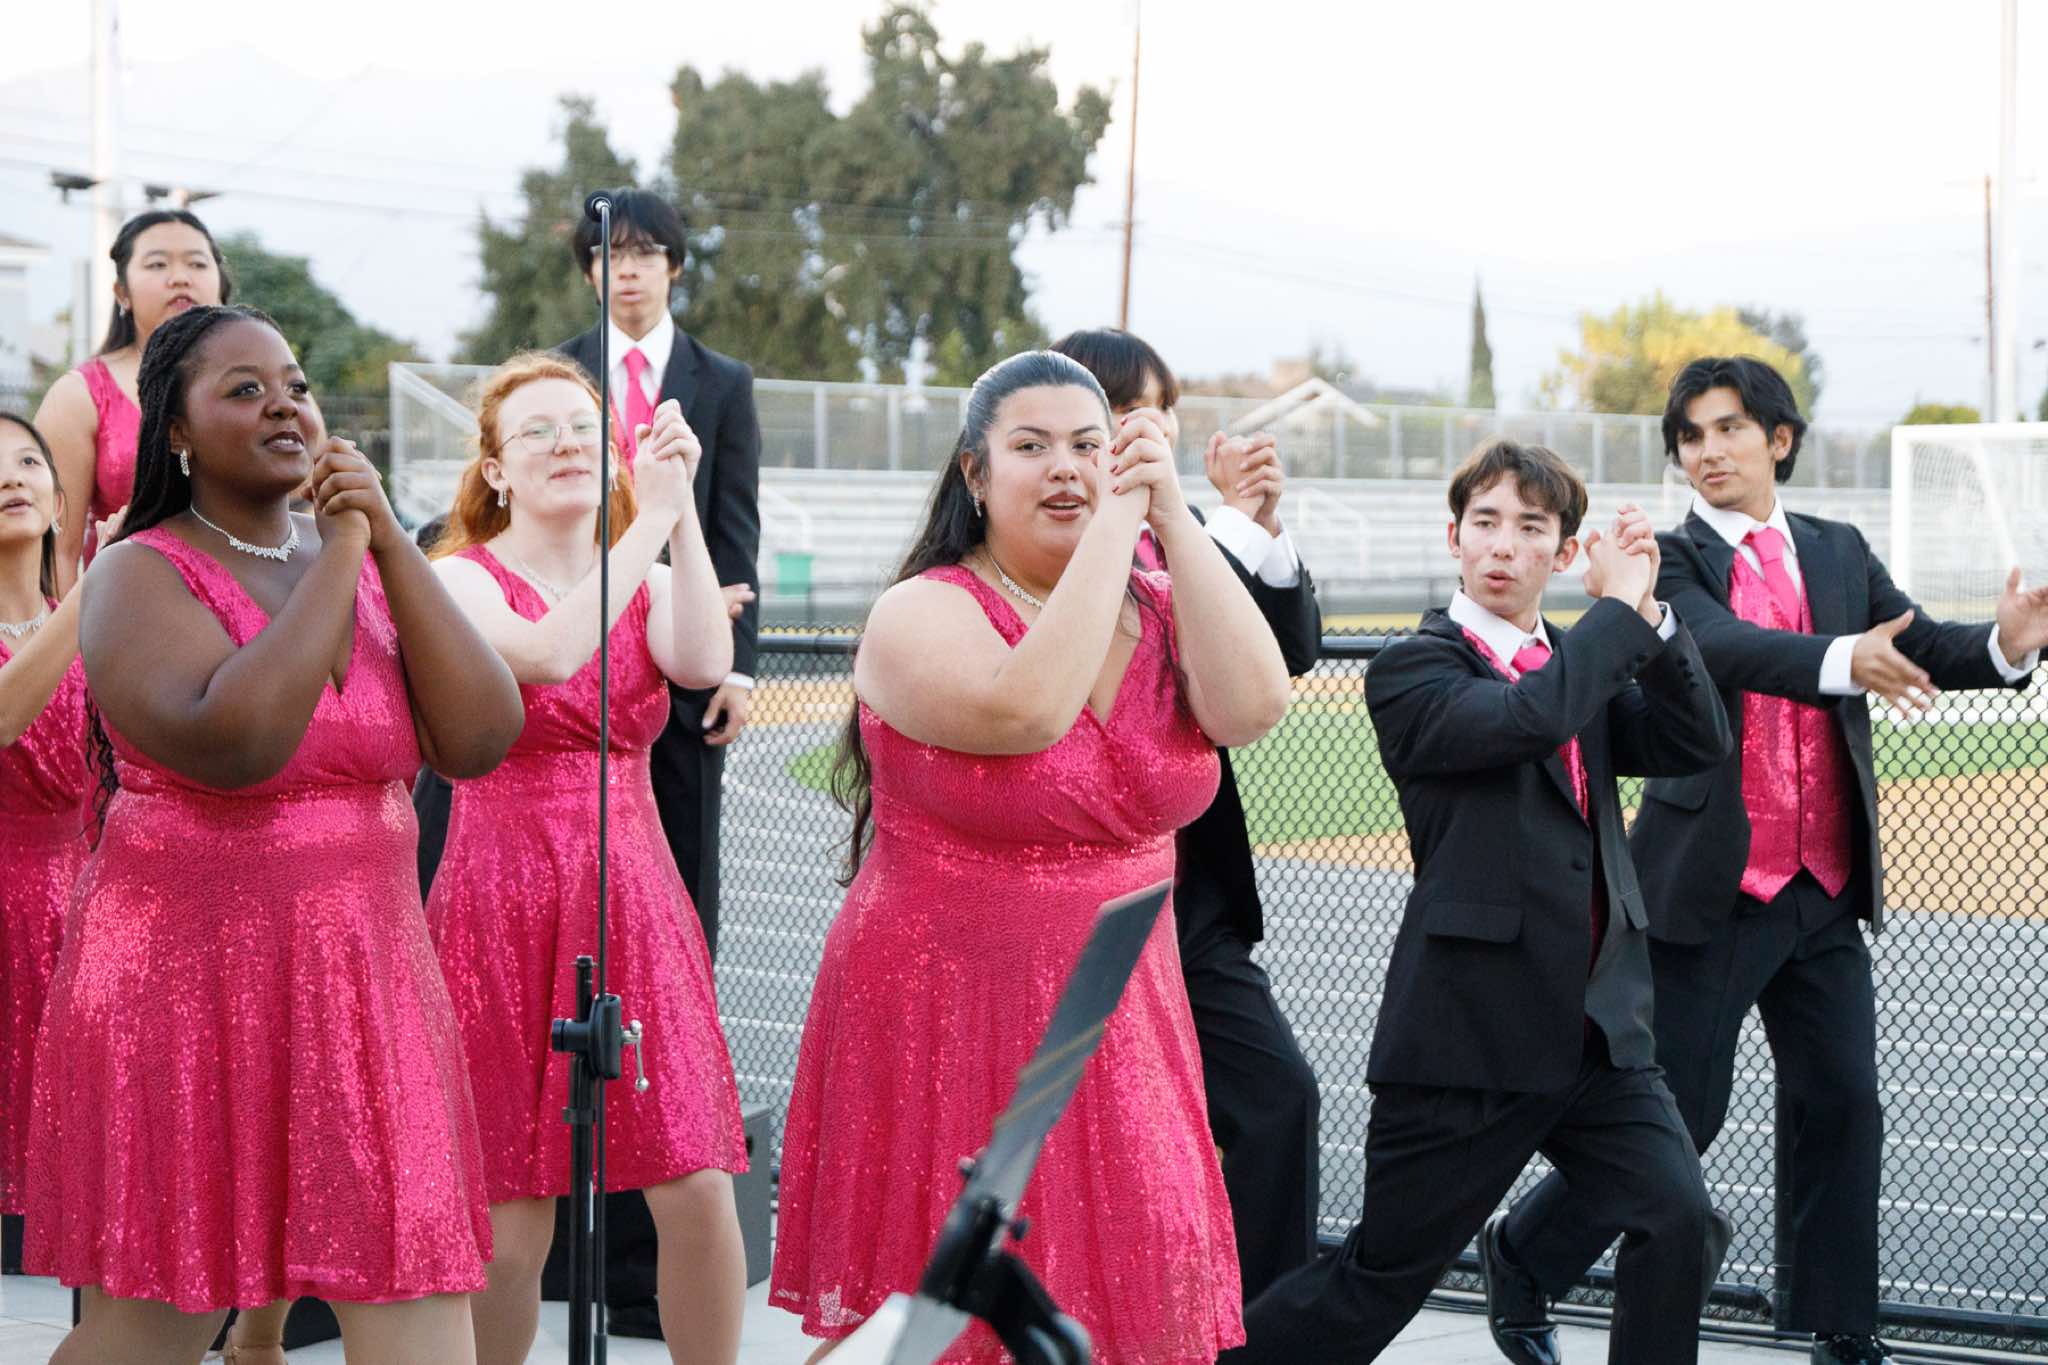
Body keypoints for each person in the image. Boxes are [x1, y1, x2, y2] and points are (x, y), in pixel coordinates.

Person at [1493, 357, 2048, 1365]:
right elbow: (1721, 646)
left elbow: (1918, 642)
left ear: (1777, 439)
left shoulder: (1837, 550)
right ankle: (1524, 1255)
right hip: (1707, 887)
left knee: (1842, 1104)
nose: (1706, 451)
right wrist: (1841, 659)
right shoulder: (1669, 559)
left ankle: (1838, 1325)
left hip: (1822, 888)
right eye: (1690, 436)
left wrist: (2006, 646)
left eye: (1727, 428)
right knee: (1679, 1120)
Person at [24, 304, 524, 1365]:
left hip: (368, 982)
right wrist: (341, 551)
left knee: (419, 1294)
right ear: (176, 429)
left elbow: (482, 735)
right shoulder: (137, 572)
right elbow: (238, 742)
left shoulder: (366, 554)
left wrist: (388, 543)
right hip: (186, 987)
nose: (284, 406)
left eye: (294, 385)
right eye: (244, 390)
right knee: (154, 1326)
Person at [770, 349, 1292, 1363]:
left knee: (1136, 1278)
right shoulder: (921, 611)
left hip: (1121, 1009)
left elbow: (1252, 705)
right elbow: (1027, 710)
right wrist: (1118, 520)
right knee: (930, 1313)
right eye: (1032, 446)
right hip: (947, 1002)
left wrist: (1175, 520)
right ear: (974, 473)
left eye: (1090, 446)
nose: (1066, 467)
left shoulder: (1159, 596)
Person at [1221, 439, 1733, 1364]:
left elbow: (1696, 741)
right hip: (1468, 1042)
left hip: (1595, 1036)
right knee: (1375, 1284)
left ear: (1563, 551)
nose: (1503, 544)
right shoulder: (1412, 670)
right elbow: (1528, 718)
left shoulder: (1577, 660)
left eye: (1530, 527)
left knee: (1679, 1219)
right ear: (1453, 538)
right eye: (1485, 522)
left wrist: (1653, 614)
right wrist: (1616, 614)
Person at [424, 351, 748, 1365]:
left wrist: (679, 513)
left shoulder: (653, 573)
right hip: (498, 891)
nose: (566, 444)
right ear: (495, 470)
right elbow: (544, 656)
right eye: (538, 431)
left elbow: (703, 662)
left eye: (582, 428)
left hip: (632, 886)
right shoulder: (458, 579)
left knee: (695, 1181)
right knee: (512, 1213)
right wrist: (647, 524)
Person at [1049, 327, 1323, 1300]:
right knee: (1086, 1138)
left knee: (1277, 1097)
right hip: (1064, 909)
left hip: (1191, 900)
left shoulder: (1190, 533)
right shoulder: (1041, 543)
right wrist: (1218, 532)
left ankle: (1260, 1330)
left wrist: (1258, 531)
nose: (1153, 428)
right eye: (1130, 409)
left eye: (1162, 409)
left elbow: (1287, 652)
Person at [0, 415, 113, 1225]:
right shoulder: (88, 607)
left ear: (60, 498)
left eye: (27, 461)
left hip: (91, 909)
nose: (10, 477)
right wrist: (92, 590)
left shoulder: (97, 616)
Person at [32, 208, 231, 585]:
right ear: (122, 292)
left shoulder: (267, 380)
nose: (180, 277)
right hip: (129, 606)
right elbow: (57, 552)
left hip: (257, 607)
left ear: (221, 285)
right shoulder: (80, 395)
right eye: (157, 264)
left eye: (197, 263)